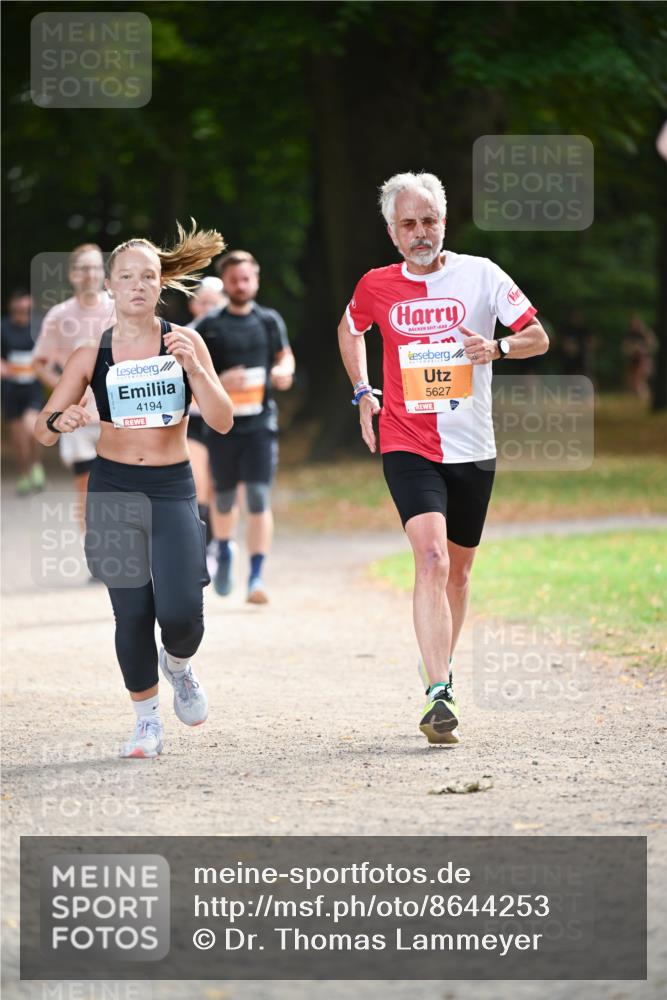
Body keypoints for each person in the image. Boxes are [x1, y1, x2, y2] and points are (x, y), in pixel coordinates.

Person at [338, 171, 549, 745]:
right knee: (429, 558)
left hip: (473, 448)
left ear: (444, 223)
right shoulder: (376, 286)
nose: (420, 232)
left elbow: (538, 336)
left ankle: (441, 669)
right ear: (392, 231)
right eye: (408, 223)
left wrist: (498, 346)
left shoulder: (481, 274)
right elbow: (349, 328)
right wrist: (362, 391)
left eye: (429, 221)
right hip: (407, 442)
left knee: (458, 572)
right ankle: (438, 692)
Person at [34, 222, 234, 759]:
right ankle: (146, 722)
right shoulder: (90, 354)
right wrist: (65, 420)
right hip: (114, 490)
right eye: (127, 277)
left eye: (148, 276)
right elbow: (42, 425)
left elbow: (222, 421)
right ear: (111, 287)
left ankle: (180, 666)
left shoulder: (183, 343)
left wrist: (197, 371)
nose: (138, 285)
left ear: (160, 284)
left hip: (171, 488)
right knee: (131, 613)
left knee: (181, 617)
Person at [196, 250, 295, 603]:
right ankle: (224, 551)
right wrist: (220, 381)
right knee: (223, 500)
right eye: (234, 279)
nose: (241, 284)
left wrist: (285, 370)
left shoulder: (269, 321)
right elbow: (186, 370)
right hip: (222, 428)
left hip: (260, 424)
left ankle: (255, 578)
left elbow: (284, 354)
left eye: (247, 278)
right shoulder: (208, 326)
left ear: (256, 279)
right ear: (225, 283)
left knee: (257, 497)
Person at [33, 244, 115, 531]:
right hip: (77, 419)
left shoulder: (119, 308)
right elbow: (40, 362)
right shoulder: (59, 315)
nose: (89, 274)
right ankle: (95, 549)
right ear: (72, 274)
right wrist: (66, 391)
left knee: (121, 486)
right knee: (86, 486)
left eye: (94, 267)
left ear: (103, 273)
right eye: (83, 268)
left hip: (116, 414)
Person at [185, 276, 229, 572]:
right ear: (193, 304)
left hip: (228, 423)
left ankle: (219, 545)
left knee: (219, 487)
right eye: (203, 301)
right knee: (198, 485)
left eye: (215, 302)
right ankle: (200, 554)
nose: (209, 307)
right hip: (193, 423)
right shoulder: (181, 337)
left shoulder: (236, 334)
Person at [1, 289, 45, 494]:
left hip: (33, 388)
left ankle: (36, 465)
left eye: (26, 310)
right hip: (11, 389)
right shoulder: (3, 327)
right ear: (12, 309)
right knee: (18, 439)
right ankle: (24, 474)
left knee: (31, 428)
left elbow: (48, 354)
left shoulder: (38, 328)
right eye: (18, 310)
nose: (22, 314)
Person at [622, 313, 657, 402]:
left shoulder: (646, 333)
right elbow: (624, 348)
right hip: (633, 361)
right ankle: (642, 400)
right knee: (633, 382)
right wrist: (631, 349)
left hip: (644, 360)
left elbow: (653, 346)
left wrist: (641, 348)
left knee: (638, 380)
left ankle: (643, 399)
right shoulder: (629, 334)